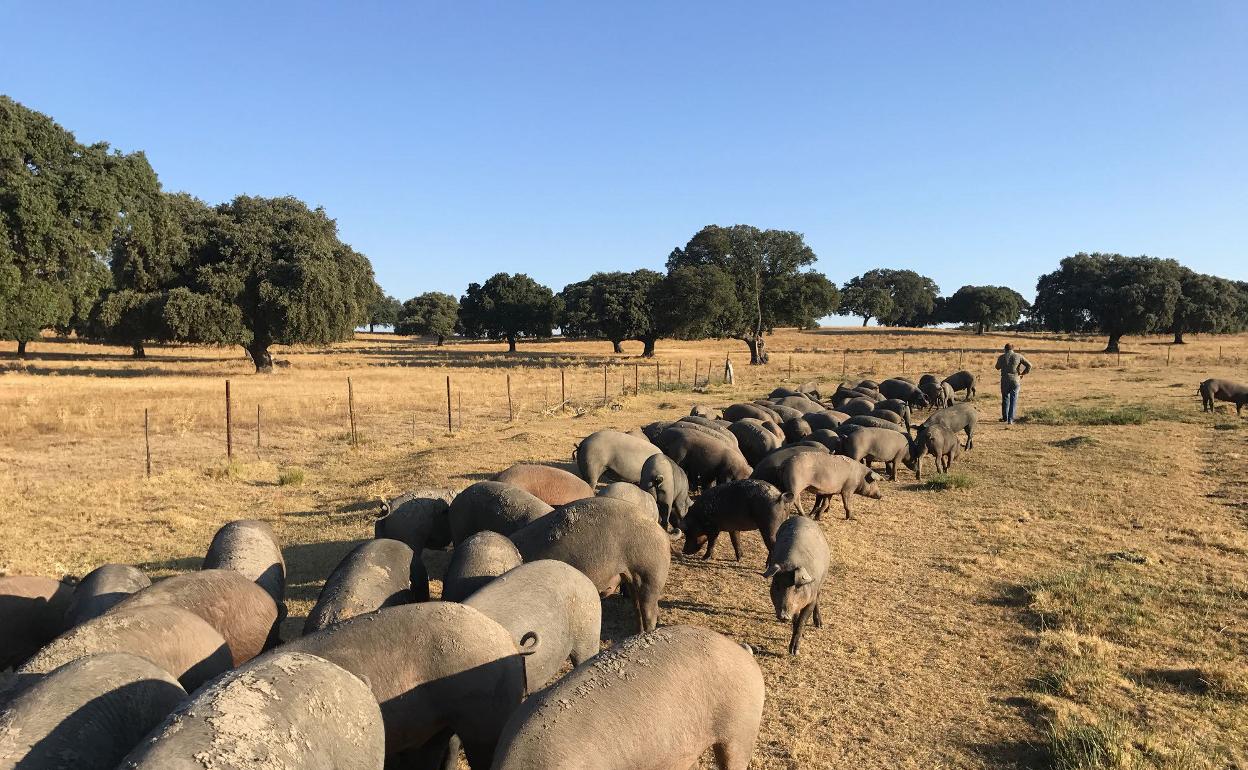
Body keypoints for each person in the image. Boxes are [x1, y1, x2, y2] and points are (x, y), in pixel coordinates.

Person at [995, 343, 1032, 424]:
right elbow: (1029, 365)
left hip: (1004, 380)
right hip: (1015, 379)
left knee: (1005, 399)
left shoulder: (1001, 357)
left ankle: (1005, 417)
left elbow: (997, 367)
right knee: (1013, 399)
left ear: (1005, 349)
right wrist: (1023, 374)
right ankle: (1010, 419)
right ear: (1013, 349)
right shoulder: (1018, 356)